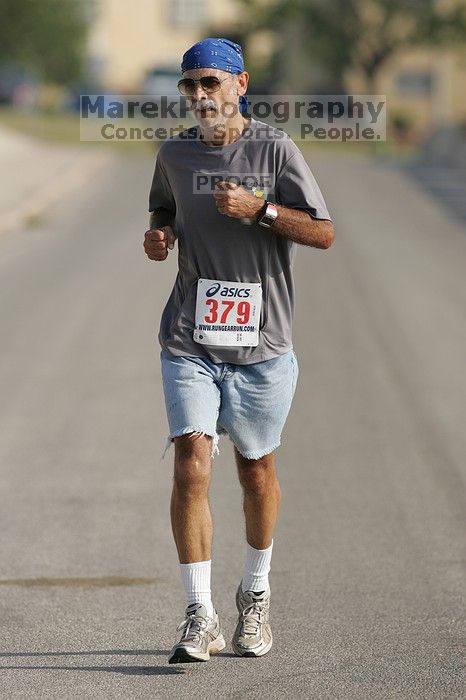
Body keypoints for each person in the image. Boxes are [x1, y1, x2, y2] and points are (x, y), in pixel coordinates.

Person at [143, 38, 334, 664]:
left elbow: (323, 233)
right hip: (189, 337)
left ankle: (255, 596)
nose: (199, 96)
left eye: (209, 84)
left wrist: (263, 210)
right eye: (189, 86)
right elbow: (164, 205)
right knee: (192, 463)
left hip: (263, 344)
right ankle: (199, 614)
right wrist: (161, 233)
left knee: (255, 470)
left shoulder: (275, 149)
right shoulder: (173, 152)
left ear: (239, 85)